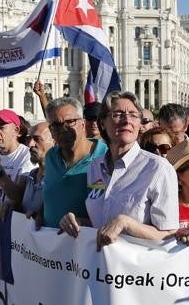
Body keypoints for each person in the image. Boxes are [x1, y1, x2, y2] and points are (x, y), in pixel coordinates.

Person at [58, 92, 179, 248]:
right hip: (99, 266)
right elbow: (102, 223)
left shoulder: (158, 169)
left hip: (137, 270)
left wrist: (126, 223)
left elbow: (169, 235)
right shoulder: (95, 167)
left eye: (134, 115)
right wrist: (78, 222)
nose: (127, 120)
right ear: (103, 123)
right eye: (118, 114)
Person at [41, 97, 107, 229]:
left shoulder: (106, 156)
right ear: (51, 131)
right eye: (56, 125)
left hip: (87, 245)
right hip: (49, 246)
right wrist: (38, 213)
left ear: (83, 124)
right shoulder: (50, 157)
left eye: (70, 122)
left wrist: (83, 223)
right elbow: (51, 197)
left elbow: (114, 212)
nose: (63, 129)